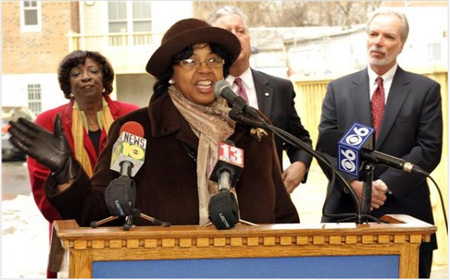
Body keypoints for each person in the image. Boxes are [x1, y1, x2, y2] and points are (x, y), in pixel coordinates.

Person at [9, 18, 299, 229]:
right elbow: (96, 212)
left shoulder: (253, 127)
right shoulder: (138, 129)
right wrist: (66, 170)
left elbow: (282, 213)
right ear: (170, 73)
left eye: (213, 59)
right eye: (189, 61)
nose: (204, 69)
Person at [317, 9, 442, 278]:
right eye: (373, 34)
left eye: (388, 37)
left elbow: (428, 149)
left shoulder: (425, 90)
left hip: (407, 213)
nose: (378, 42)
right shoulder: (338, 89)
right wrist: (355, 186)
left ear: (402, 44)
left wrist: (382, 186)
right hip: (345, 211)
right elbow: (325, 148)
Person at [26, 50, 139, 278]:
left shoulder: (132, 117)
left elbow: (145, 175)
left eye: (93, 71)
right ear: (68, 83)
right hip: (73, 232)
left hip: (125, 230)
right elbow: (41, 186)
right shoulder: (48, 122)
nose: (85, 77)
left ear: (105, 79)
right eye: (76, 73)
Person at [207, 6, 313, 194]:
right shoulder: (204, 91)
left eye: (241, 31)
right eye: (226, 32)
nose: (235, 37)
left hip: (271, 201)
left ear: (249, 38)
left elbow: (299, 139)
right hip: (219, 199)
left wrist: (300, 165)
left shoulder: (280, 88)